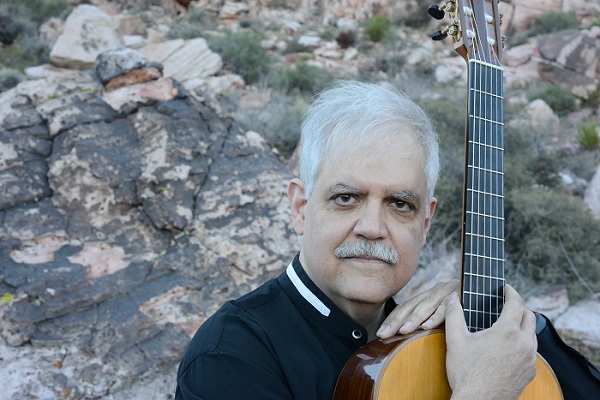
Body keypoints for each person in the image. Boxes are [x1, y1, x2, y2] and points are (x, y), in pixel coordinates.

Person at [175, 81, 599, 399]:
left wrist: (508, 320)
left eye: (400, 204)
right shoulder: (230, 355)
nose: (372, 227)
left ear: (426, 222)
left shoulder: (445, 339)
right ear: (301, 208)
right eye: (346, 198)